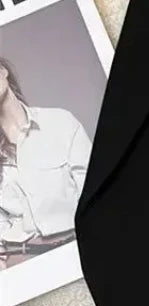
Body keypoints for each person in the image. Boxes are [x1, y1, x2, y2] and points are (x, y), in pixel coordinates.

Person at [0, 57, 91, 269]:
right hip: (21, 259)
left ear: (3, 71)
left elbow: (92, 190)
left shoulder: (60, 123)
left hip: (79, 245)